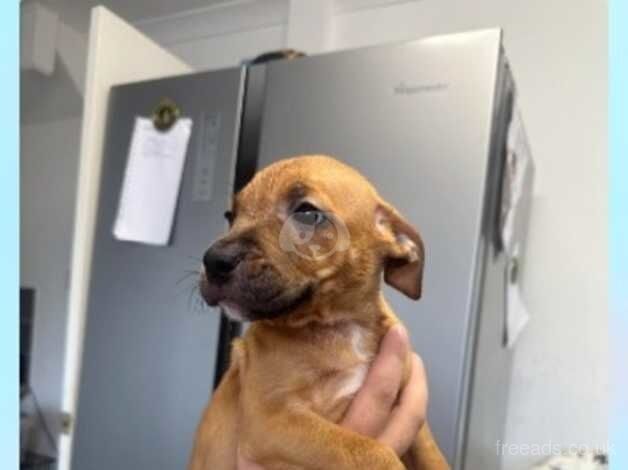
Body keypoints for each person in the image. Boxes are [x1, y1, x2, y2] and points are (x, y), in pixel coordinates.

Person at [237, 325, 429, 469]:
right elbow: (268, 431)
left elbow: (405, 414)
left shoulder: (380, 327)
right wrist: (373, 461)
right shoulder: (266, 346)